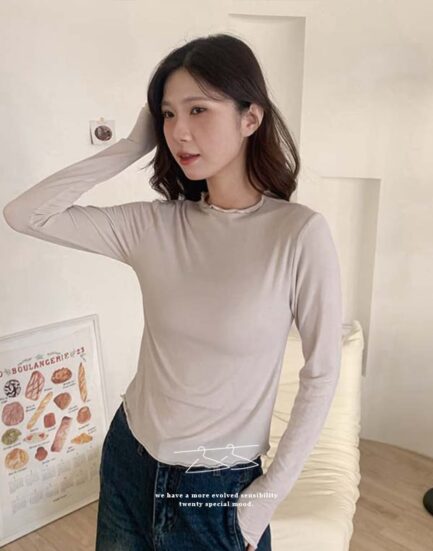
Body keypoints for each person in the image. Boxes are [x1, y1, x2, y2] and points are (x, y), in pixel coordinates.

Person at [3, 33, 343, 551]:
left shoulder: (298, 234)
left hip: (218, 492)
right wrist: (129, 146)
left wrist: (263, 501)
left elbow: (322, 373)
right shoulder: (155, 226)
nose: (179, 131)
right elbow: (25, 214)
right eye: (167, 114)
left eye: (198, 109)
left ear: (250, 118)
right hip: (130, 462)